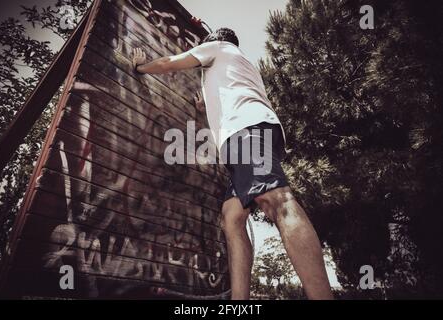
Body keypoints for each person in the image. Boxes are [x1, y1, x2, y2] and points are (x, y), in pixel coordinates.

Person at [132, 27, 333, 300]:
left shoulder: (217, 47)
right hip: (254, 133)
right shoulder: (240, 63)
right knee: (232, 217)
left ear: (215, 40)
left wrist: (141, 66)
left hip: (247, 132)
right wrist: (206, 106)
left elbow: (169, 63)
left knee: (277, 200)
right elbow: (232, 96)